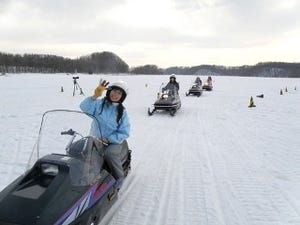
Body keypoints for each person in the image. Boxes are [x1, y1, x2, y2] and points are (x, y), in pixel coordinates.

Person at [79, 79, 130, 189]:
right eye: (114, 91)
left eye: (119, 93)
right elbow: (84, 107)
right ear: (108, 91)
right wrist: (95, 96)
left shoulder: (122, 112)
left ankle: (119, 176)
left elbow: (124, 132)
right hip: (95, 139)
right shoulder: (98, 104)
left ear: (122, 96)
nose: (115, 94)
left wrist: (109, 139)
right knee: (78, 151)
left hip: (113, 142)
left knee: (109, 154)